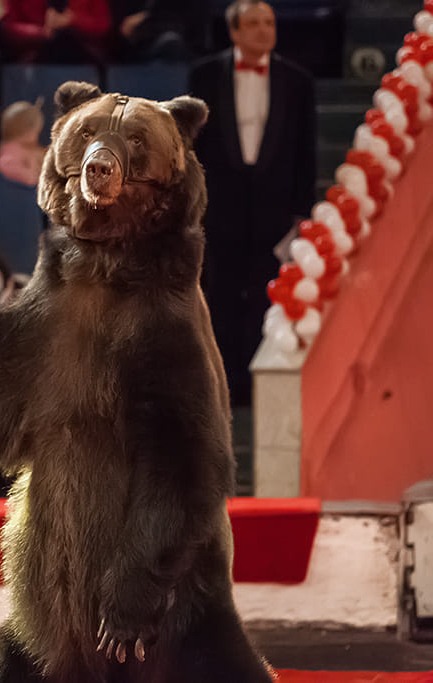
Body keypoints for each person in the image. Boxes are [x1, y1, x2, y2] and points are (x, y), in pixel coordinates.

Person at [188, 0, 316, 408]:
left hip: (273, 208)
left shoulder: (298, 81)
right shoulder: (204, 75)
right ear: (235, 31)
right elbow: (192, 148)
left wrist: (301, 212)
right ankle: (222, 388)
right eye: (254, 23)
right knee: (220, 296)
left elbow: (305, 150)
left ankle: (261, 388)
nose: (264, 30)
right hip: (220, 207)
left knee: (266, 295)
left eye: (269, 22)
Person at [0, 0, 112, 64]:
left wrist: (72, 20)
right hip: (33, 61)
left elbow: (103, 25)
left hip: (84, 59)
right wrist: (41, 32)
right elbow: (7, 27)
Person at [0, 99, 45, 187]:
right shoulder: (8, 158)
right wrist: (32, 158)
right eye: (35, 131)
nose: (36, 136)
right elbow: (32, 179)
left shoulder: (26, 146)